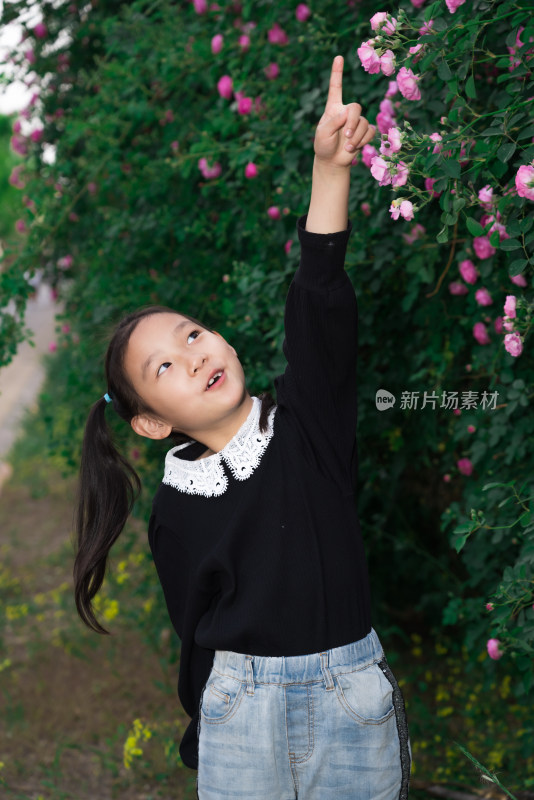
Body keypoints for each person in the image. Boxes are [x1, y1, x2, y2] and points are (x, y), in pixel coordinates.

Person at [74, 54, 412, 799]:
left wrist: (330, 172)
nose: (191, 358)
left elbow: (319, 299)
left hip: (350, 705)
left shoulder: (308, 426)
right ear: (151, 422)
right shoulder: (176, 513)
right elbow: (194, 636)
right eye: (162, 368)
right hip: (240, 713)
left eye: (191, 335)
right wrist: (211, 720)